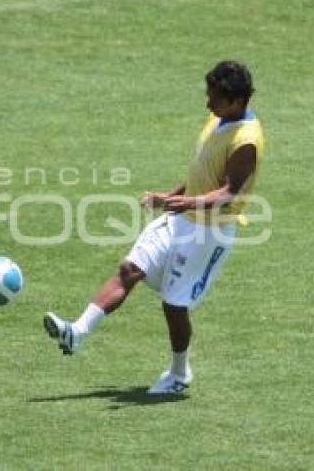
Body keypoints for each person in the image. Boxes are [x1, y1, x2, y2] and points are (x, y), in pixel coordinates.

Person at [43, 60, 264, 394]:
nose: (208, 104)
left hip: (209, 231)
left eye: (214, 98)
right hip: (181, 217)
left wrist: (187, 203)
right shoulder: (218, 120)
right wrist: (170, 197)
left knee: (174, 306)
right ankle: (77, 332)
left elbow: (229, 192)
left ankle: (178, 375)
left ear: (236, 101)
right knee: (130, 269)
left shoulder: (246, 140)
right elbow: (200, 174)